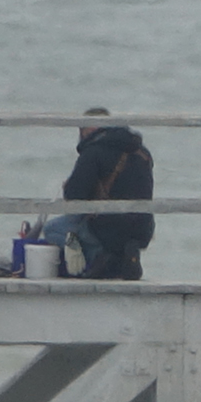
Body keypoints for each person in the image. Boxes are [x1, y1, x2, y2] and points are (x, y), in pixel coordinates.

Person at [44, 107, 153, 280]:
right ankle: (124, 257)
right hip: (142, 230)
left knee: (53, 229)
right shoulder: (143, 152)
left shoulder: (94, 151)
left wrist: (69, 186)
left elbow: (74, 196)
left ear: (88, 129)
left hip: (107, 229)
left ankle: (99, 258)